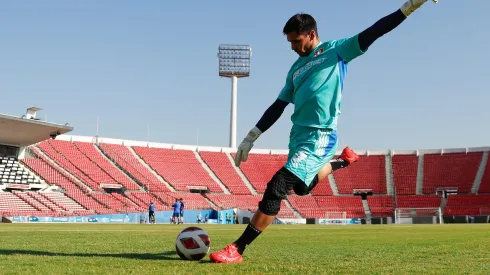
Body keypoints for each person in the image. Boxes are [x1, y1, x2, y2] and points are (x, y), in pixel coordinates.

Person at [210, 0, 440, 263]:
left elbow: (375, 30)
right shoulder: (295, 70)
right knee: (301, 188)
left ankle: (238, 249)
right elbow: (278, 105)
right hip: (298, 137)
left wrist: (410, 6)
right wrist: (251, 136)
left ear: (311, 34)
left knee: (278, 185)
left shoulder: (337, 50)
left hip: (320, 135)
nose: (293, 47)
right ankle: (342, 161)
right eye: (290, 43)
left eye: (296, 41)